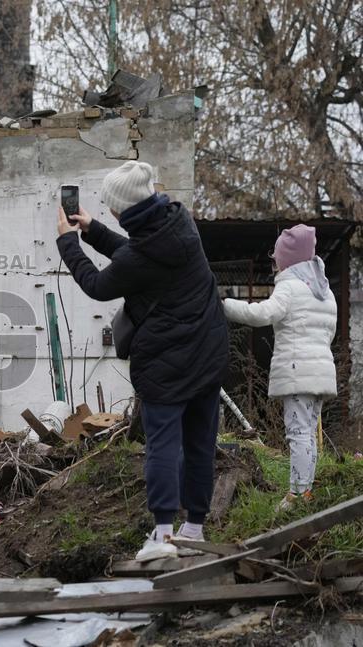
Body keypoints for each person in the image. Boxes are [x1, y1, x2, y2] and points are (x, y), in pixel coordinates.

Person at [55, 161, 229, 562]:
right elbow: (138, 256)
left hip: (167, 362)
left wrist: (69, 243)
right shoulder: (180, 225)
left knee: (163, 444)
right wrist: (93, 230)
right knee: (200, 443)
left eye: (110, 208)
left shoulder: (142, 254)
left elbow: (99, 284)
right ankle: (193, 529)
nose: (109, 212)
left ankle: (163, 534)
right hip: (207, 353)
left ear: (123, 210)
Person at [223, 224, 337, 512]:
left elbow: (263, 314)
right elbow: (329, 333)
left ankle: (297, 495)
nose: (275, 265)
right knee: (307, 433)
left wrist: (224, 306)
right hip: (321, 373)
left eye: (277, 259)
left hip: (298, 373)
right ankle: (305, 491)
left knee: (297, 433)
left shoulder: (289, 287)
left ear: (288, 260)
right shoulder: (325, 292)